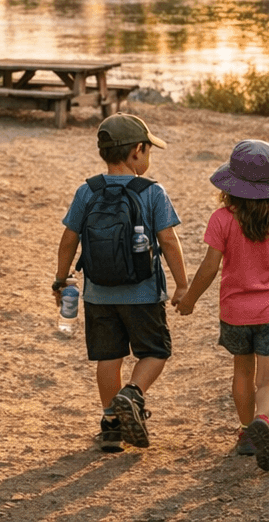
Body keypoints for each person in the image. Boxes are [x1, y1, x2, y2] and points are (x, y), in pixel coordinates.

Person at [53, 114, 188, 453]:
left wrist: (61, 280)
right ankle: (133, 393)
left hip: (98, 294)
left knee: (109, 357)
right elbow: (168, 241)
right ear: (137, 150)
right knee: (155, 352)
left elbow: (68, 239)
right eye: (148, 150)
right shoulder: (152, 192)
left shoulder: (87, 191)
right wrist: (182, 284)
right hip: (144, 294)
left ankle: (111, 424)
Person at [175, 138, 269, 473]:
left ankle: (248, 432)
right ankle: (264, 419)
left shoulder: (221, 219)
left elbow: (209, 267)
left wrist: (190, 299)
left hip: (236, 313)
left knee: (243, 372)